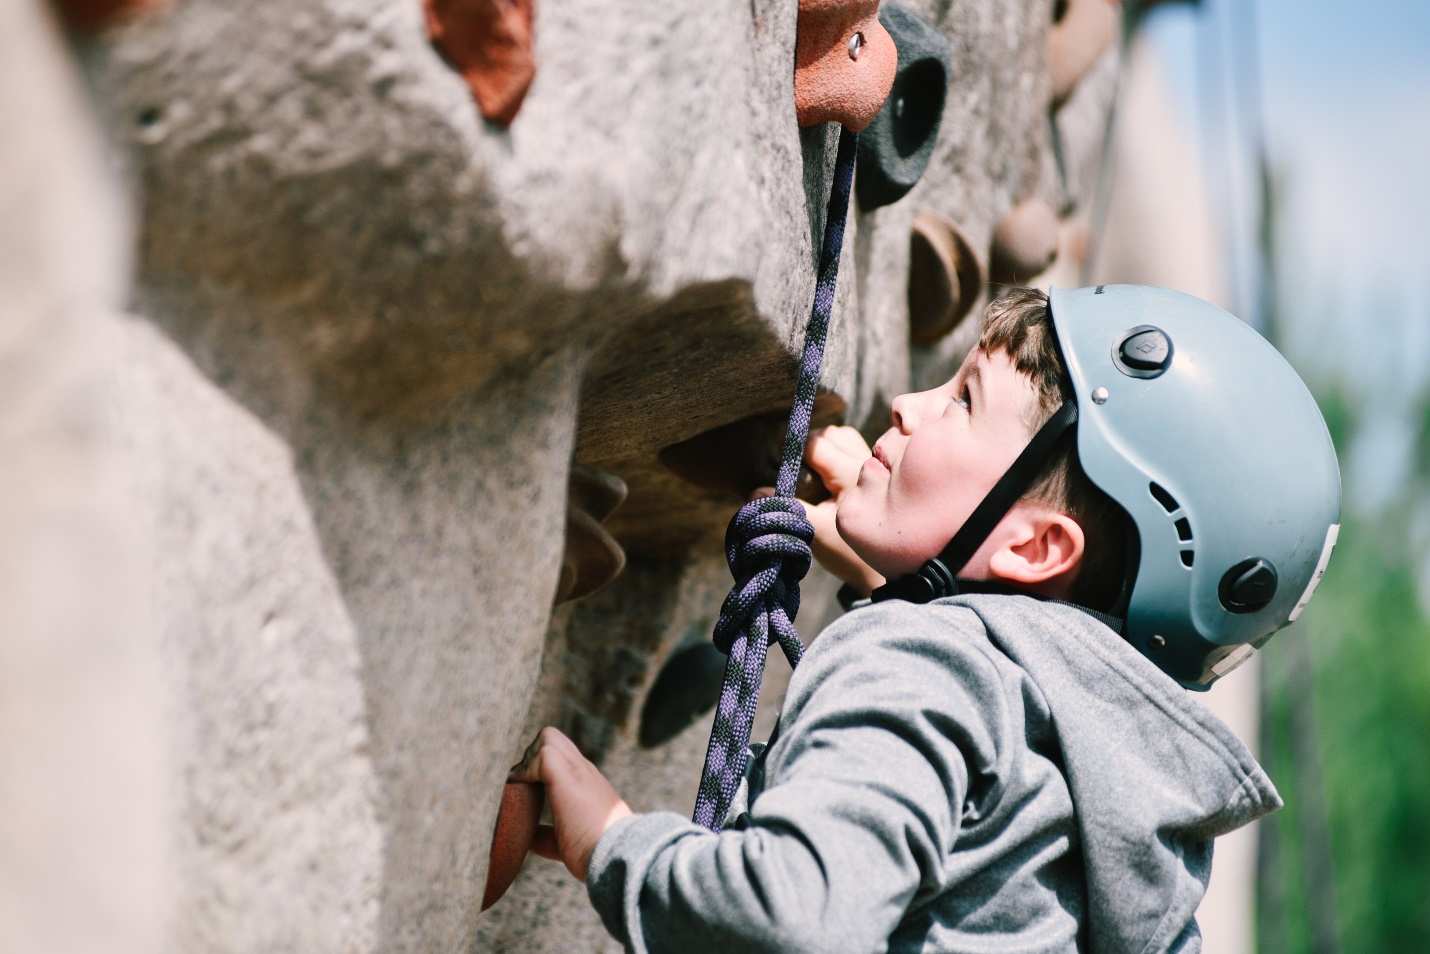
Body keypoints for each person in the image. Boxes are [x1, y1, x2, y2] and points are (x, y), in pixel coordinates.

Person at [507, 285, 1342, 952]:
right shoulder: (1123, 816)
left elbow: (792, 921)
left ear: (1039, 547)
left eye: (963, 400)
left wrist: (611, 843)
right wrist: (903, 570)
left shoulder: (924, 665)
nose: (907, 403)